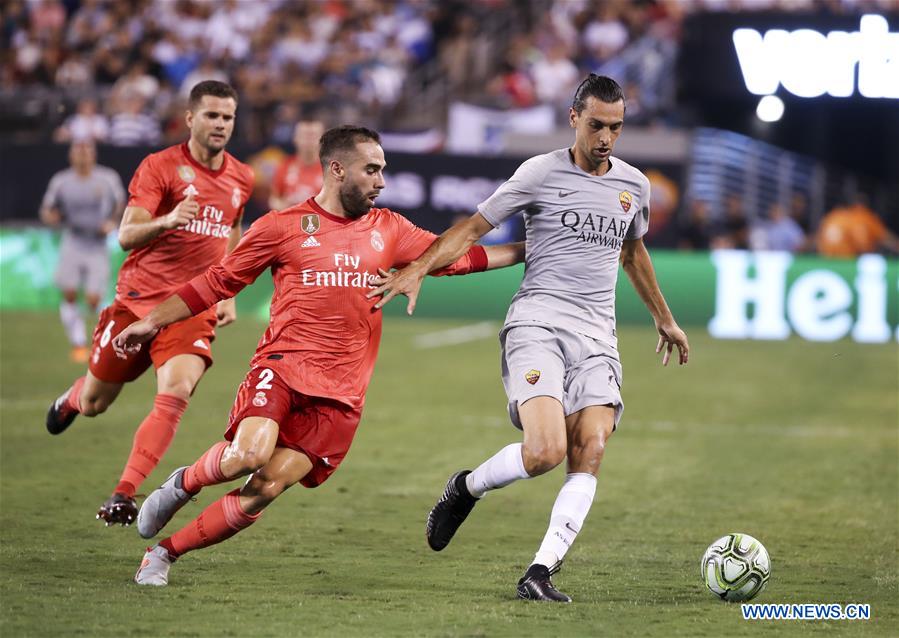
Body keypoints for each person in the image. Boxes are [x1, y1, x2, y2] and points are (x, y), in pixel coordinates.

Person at [112, 125, 525, 586]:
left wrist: (532, 249)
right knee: (248, 455)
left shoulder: (389, 229)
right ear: (336, 169)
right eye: (371, 170)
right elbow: (216, 283)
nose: (381, 181)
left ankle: (163, 555)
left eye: (383, 170)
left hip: (342, 394)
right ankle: (185, 482)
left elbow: (464, 259)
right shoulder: (282, 227)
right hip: (283, 368)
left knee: (264, 488)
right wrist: (151, 321)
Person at [369, 74, 690, 603]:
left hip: (598, 335)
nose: (605, 137)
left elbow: (632, 253)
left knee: (591, 446)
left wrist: (664, 317)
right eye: (595, 125)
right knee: (543, 452)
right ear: (573, 118)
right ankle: (465, 488)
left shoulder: (635, 185)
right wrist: (418, 269)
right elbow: (472, 228)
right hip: (538, 322)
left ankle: (539, 572)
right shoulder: (538, 173)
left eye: (615, 127)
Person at [45, 80, 254, 527]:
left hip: (191, 307)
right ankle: (76, 396)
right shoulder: (159, 167)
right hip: (138, 302)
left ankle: (123, 494)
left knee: (177, 390)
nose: (221, 124)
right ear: (191, 119)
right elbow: (126, 235)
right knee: (99, 402)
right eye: (212, 115)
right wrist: (170, 219)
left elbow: (233, 231)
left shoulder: (242, 176)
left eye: (228, 117)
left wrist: (229, 292)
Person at [40, 140, 125, 362]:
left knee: (93, 299)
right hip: (73, 240)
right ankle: (78, 343)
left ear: (94, 154)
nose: (83, 154)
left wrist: (112, 223)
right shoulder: (62, 181)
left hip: (97, 244)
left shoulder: (107, 178)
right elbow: (47, 209)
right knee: (69, 293)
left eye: (87, 150)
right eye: (79, 150)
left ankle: (104, 340)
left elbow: (121, 204)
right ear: (71, 155)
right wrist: (51, 217)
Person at [268, 119, 325, 210]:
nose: (308, 140)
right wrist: (286, 206)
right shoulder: (284, 166)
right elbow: (274, 200)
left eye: (313, 135)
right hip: (290, 221)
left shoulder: (331, 170)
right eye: (305, 135)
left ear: (323, 139)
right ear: (295, 138)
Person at [816, 196, 899, 257]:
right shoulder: (863, 217)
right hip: (847, 262)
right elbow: (886, 239)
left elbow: (818, 240)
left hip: (825, 260)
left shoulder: (832, 216)